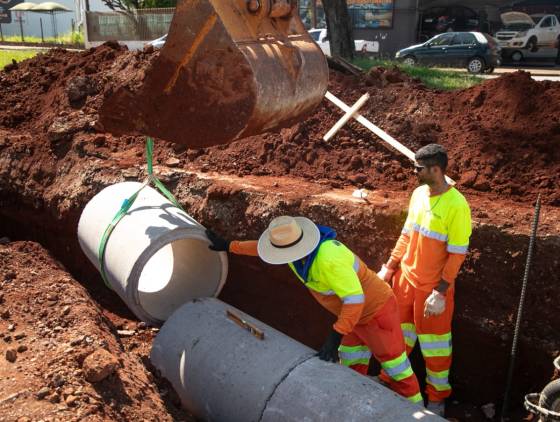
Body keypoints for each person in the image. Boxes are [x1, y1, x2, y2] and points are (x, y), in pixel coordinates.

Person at [207, 215, 423, 404]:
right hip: (352, 317)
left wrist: (336, 334)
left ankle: (415, 410)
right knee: (350, 361)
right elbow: (261, 248)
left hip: (376, 313)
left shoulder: (328, 258)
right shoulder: (295, 252)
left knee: (397, 369)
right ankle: (358, 401)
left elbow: (356, 300)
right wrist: (229, 245)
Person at [378, 144, 471, 417]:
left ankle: (437, 399)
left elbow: (456, 255)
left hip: (432, 289)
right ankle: (390, 380)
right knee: (397, 337)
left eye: (419, 168)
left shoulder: (457, 206)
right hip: (405, 281)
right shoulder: (418, 194)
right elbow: (406, 235)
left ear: (435, 169)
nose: (414, 172)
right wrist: (389, 267)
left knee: (436, 347)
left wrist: (441, 292)